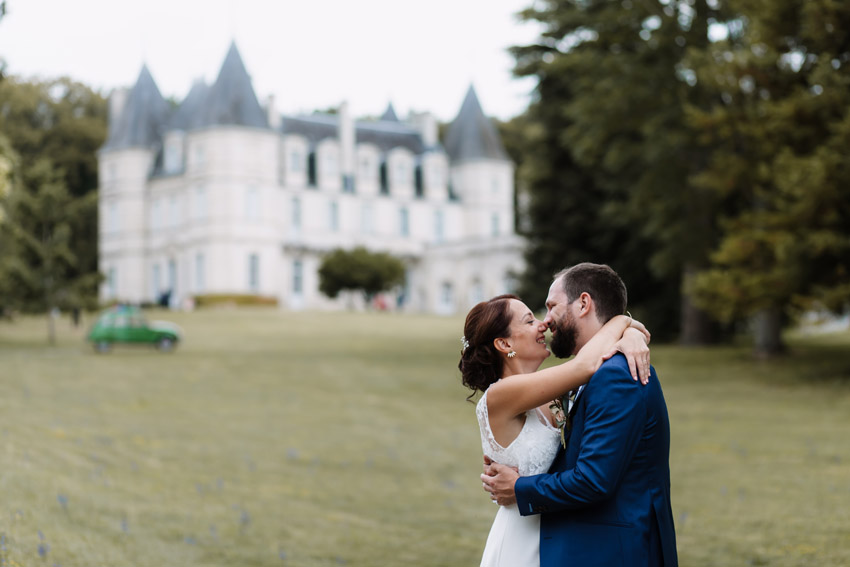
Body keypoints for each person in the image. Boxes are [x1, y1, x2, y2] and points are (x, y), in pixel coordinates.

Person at [481, 263, 678, 566]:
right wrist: (626, 326)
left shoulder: (615, 375)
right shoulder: (580, 377)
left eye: (551, 307)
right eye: (533, 318)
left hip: (614, 549)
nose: (545, 322)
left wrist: (627, 329)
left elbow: (593, 480)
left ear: (584, 303)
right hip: (546, 538)